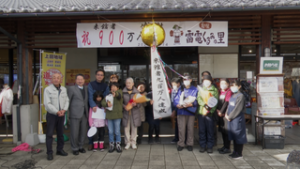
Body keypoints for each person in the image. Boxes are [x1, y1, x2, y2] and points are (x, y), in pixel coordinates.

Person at [44, 73, 69, 161]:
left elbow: (67, 101)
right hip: (52, 115)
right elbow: (47, 104)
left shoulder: (64, 89)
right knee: (49, 134)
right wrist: (56, 111)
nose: (56, 79)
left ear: (60, 79)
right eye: (54, 77)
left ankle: (60, 149)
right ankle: (49, 152)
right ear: (52, 79)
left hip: (61, 114)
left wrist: (64, 110)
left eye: (58, 78)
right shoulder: (48, 89)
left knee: (60, 133)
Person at [173, 75, 198, 151]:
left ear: (191, 80)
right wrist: (177, 104)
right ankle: (181, 143)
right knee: (181, 128)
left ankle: (190, 143)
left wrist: (192, 104)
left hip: (190, 111)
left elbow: (198, 100)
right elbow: (175, 99)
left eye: (187, 79)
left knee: (190, 128)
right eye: (184, 79)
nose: (186, 81)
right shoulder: (180, 88)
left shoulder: (195, 89)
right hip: (181, 111)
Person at [88, 69, 109, 151]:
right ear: (95, 75)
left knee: (101, 130)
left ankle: (101, 144)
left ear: (103, 76)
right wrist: (93, 105)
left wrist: (104, 106)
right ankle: (91, 143)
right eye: (98, 74)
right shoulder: (91, 84)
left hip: (102, 107)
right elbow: (90, 96)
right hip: (93, 108)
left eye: (101, 75)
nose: (100, 76)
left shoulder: (105, 86)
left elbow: (106, 96)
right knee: (92, 128)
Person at [225, 80, 247, 159]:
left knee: (238, 136)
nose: (233, 88)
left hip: (237, 119)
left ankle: (239, 153)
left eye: (234, 86)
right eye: (231, 86)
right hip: (231, 119)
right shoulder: (233, 95)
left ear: (239, 86)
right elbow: (229, 106)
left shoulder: (240, 96)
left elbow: (238, 109)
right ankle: (235, 151)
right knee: (233, 135)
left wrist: (230, 116)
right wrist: (226, 114)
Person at [68, 74, 89, 155]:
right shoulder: (71, 89)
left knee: (83, 132)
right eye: (78, 79)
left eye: (81, 79)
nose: (80, 81)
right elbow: (68, 101)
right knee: (74, 132)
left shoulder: (86, 89)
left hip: (84, 113)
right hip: (75, 113)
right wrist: (68, 114)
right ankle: (74, 148)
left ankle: (80, 146)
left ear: (84, 80)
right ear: (75, 80)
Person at [197, 75, 219, 154]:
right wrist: (204, 105)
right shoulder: (201, 89)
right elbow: (199, 99)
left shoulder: (215, 90)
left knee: (210, 130)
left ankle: (210, 146)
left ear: (211, 82)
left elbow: (215, 101)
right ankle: (202, 145)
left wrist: (211, 110)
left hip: (210, 114)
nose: (206, 82)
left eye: (208, 81)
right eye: (204, 81)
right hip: (201, 112)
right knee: (202, 130)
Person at [101, 82, 123, 153]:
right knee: (110, 131)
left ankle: (118, 144)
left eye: (115, 86)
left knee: (117, 131)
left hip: (117, 115)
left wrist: (115, 94)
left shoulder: (120, 92)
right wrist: (106, 104)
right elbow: (102, 102)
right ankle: (111, 144)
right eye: (112, 87)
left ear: (118, 88)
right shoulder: (108, 94)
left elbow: (119, 95)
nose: (113, 88)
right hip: (110, 115)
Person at [122, 77, 141, 150]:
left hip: (134, 113)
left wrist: (136, 104)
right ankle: (127, 143)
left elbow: (140, 103)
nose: (128, 84)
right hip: (126, 112)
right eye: (127, 83)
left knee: (134, 128)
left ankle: (133, 142)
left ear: (133, 84)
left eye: (129, 83)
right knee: (126, 128)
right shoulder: (122, 92)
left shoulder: (137, 92)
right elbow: (120, 103)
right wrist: (124, 106)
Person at [216, 79, 233, 154]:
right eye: (221, 83)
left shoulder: (229, 92)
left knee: (226, 131)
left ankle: (228, 147)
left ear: (228, 84)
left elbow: (226, 102)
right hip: (220, 113)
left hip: (226, 114)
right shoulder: (219, 91)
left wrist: (221, 112)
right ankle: (224, 146)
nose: (222, 84)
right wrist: (217, 110)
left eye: (224, 83)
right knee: (222, 131)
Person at [170, 78, 181, 143]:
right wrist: (173, 110)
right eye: (172, 84)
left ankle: (180, 139)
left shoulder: (181, 90)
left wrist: (174, 110)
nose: (173, 85)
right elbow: (172, 101)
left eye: (174, 84)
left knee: (181, 125)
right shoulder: (173, 90)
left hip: (180, 109)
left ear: (178, 83)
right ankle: (176, 138)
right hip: (175, 108)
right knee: (177, 124)